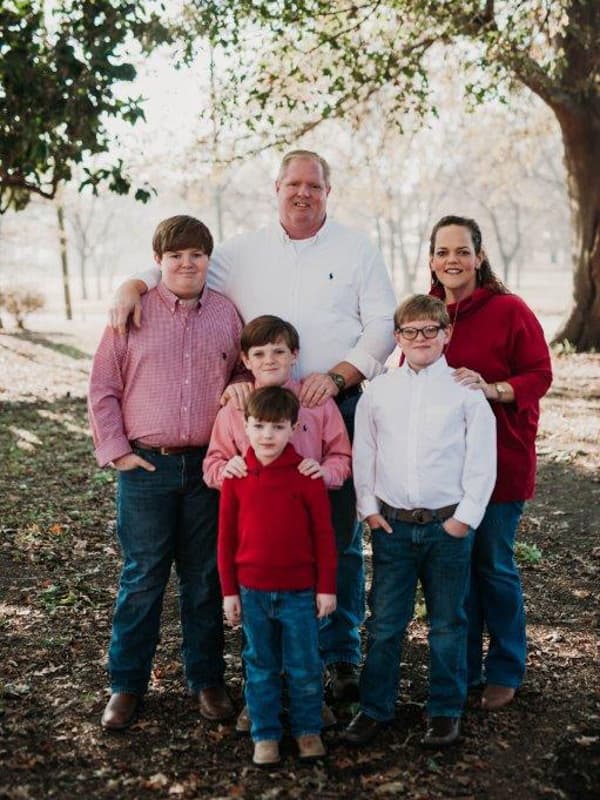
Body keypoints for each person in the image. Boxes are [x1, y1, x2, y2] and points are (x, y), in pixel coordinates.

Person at [110, 150, 397, 699]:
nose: (303, 193)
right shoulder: (242, 251)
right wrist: (134, 282)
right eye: (293, 184)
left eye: (314, 185)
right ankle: (262, 654)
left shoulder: (357, 249)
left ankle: (337, 655)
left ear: (327, 192)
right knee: (260, 535)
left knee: (336, 537)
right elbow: (181, 270)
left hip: (329, 405)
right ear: (277, 188)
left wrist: (338, 378)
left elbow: (382, 323)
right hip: (258, 417)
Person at [88, 215, 243, 731]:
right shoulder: (130, 313)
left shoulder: (226, 314)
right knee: (142, 577)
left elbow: (243, 370)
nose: (186, 263)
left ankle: (207, 680)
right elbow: (103, 389)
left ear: (207, 260)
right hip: (145, 466)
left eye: (196, 254)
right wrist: (117, 450)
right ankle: (126, 685)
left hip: (206, 467)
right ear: (158, 261)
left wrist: (240, 386)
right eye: (175, 255)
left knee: (204, 576)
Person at [343, 294, 497, 748]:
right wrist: (368, 508)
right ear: (398, 338)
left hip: (446, 527)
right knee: (386, 622)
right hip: (392, 527)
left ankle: (445, 711)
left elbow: (481, 461)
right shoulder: (380, 392)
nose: (421, 338)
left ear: (446, 334)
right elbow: (364, 453)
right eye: (410, 331)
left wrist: (465, 519)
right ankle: (375, 709)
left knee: (448, 623)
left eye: (431, 330)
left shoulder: (465, 390)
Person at [427, 215, 552, 710]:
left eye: (462, 250)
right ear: (432, 259)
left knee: (494, 565)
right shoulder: (429, 313)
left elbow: (540, 373)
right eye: (442, 251)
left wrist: (495, 390)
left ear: (479, 256)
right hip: (445, 470)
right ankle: (465, 669)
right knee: (458, 571)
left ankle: (506, 666)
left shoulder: (508, 310)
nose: (452, 260)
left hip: (502, 460)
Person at [218, 386, 337, 766]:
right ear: (246, 426)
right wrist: (228, 592)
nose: (267, 435)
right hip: (252, 592)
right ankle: (265, 733)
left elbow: (324, 536)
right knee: (260, 664)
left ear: (293, 428)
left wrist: (327, 588)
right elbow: (225, 538)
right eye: (259, 426)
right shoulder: (235, 476)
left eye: (277, 426)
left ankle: (306, 730)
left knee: (304, 664)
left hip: (300, 592)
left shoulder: (306, 476)